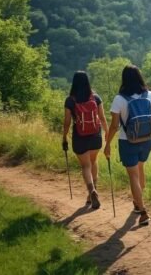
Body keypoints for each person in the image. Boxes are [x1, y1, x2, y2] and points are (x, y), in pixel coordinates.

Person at [104, 65, 151, 226]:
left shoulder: (119, 99)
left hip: (128, 141)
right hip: (147, 140)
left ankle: (143, 211)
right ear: (140, 77)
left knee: (133, 176)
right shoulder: (150, 95)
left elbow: (114, 126)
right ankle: (138, 203)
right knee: (140, 169)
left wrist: (107, 143)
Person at [62, 71, 107, 209]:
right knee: (93, 162)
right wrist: (107, 133)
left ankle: (91, 190)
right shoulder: (96, 97)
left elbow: (67, 121)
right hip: (95, 136)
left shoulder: (70, 100)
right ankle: (92, 193)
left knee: (85, 166)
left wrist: (64, 137)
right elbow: (102, 117)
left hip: (80, 137)